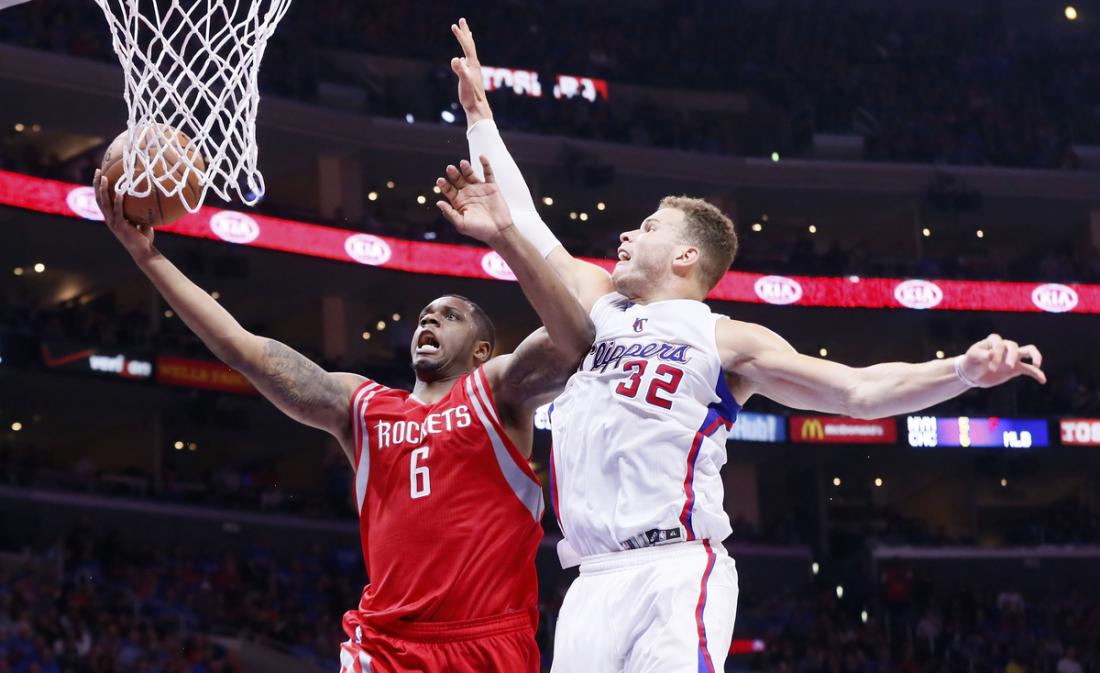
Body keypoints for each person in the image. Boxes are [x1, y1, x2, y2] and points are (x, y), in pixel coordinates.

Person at [449, 18, 1047, 673]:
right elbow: (525, 223)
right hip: (589, 578)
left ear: (685, 254)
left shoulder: (725, 338)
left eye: (645, 226)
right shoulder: (597, 305)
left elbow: (857, 391)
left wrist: (960, 369)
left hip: (676, 571)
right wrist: (480, 113)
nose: (624, 234)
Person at [93, 155, 594, 673]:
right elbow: (244, 348)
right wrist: (147, 258)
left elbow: (575, 340)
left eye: (450, 316)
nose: (430, 320)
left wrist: (505, 235)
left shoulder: (498, 390)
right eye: (425, 315)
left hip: (485, 641)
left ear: (483, 350)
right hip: (385, 644)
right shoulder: (363, 406)